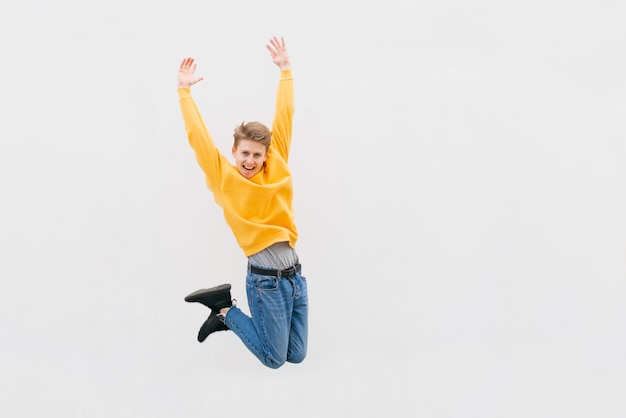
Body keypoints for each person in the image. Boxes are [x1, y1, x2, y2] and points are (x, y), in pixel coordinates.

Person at [176, 36, 308, 369]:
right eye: (244, 153)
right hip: (266, 281)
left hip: (295, 277)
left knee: (297, 354)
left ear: (266, 156)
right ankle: (224, 310)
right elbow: (199, 138)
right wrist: (184, 92)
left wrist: (286, 70)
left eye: (257, 155)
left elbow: (286, 115)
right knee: (274, 359)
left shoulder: (275, 165)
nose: (250, 160)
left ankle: (224, 310)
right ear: (234, 152)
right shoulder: (224, 177)